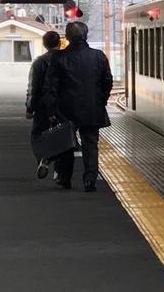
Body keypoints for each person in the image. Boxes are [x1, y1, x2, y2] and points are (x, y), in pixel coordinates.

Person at [49, 19, 114, 192]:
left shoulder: (58, 57)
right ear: (85, 35)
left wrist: (52, 110)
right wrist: (101, 100)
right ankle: (90, 180)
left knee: (66, 145)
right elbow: (107, 81)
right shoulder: (98, 56)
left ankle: (64, 178)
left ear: (68, 37)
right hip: (92, 108)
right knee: (91, 144)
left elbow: (52, 87)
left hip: (65, 110)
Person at [25, 28, 63, 178]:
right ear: (59, 43)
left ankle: (43, 159)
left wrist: (30, 107)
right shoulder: (66, 59)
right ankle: (60, 173)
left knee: (37, 135)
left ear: (44, 44)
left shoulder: (39, 62)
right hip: (64, 106)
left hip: (43, 106)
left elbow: (33, 87)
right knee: (63, 138)